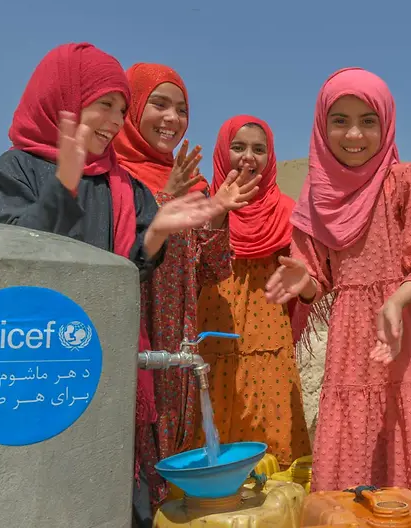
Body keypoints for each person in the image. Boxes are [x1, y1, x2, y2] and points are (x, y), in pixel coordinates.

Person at [0, 43, 227, 527]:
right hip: (38, 363)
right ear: (65, 103)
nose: (114, 120)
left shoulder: (123, 186)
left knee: (115, 485)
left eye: (120, 109)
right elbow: (9, 255)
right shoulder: (17, 170)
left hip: (110, 363)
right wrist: (63, 183)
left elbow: (133, 268)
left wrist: (156, 232)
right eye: (103, 106)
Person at [264, 68, 411, 518]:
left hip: (410, 331)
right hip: (353, 342)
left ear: (387, 123)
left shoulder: (403, 180)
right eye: (340, 120)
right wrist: (305, 285)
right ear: (321, 126)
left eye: (369, 120)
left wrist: (398, 299)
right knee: (359, 474)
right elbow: (317, 280)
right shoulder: (315, 198)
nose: (354, 134)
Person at [114, 63, 260, 513]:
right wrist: (162, 200)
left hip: (177, 334)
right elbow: (113, 253)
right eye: (159, 104)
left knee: (172, 448)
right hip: (129, 329)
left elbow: (212, 271)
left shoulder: (192, 184)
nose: (172, 119)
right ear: (133, 107)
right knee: (125, 447)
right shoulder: (112, 175)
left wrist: (217, 213)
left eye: (181, 109)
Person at [195, 115, 312, 465]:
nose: (249, 156)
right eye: (238, 147)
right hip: (214, 337)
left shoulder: (287, 212)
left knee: (272, 442)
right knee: (211, 436)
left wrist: (304, 279)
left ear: (270, 158)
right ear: (222, 152)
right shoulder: (199, 203)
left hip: (268, 343)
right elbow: (194, 271)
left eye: (259, 149)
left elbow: (309, 289)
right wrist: (219, 210)